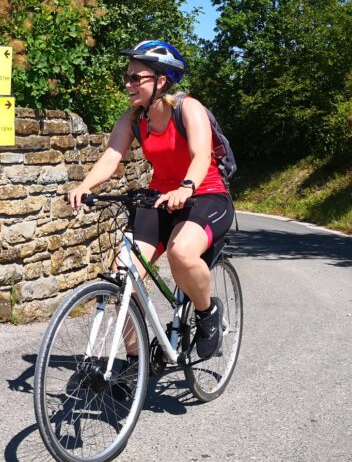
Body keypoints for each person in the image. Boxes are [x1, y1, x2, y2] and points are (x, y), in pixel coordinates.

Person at [67, 40, 235, 361]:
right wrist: (85, 185)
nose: (128, 84)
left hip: (206, 195)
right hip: (159, 199)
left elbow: (201, 155)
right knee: (123, 275)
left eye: (136, 78)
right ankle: (136, 363)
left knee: (181, 253)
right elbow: (112, 155)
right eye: (126, 77)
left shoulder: (188, 108)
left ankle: (207, 311)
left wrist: (186, 186)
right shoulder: (133, 119)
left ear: (161, 80)